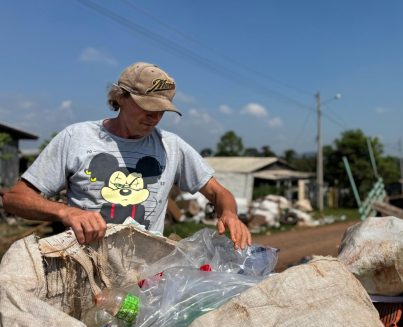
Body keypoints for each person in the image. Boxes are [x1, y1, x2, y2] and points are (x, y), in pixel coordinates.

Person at [2, 62, 251, 249]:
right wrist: (65, 212)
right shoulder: (76, 138)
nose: (154, 117)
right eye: (147, 107)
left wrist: (229, 214)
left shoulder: (171, 147)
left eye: (161, 110)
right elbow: (15, 198)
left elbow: (219, 193)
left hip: (144, 275)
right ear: (120, 97)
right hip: (84, 267)